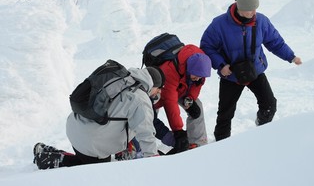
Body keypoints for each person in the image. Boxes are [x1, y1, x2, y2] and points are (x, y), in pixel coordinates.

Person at [200, 0, 302, 141]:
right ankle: (220, 144)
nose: (254, 12)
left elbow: (275, 42)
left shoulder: (261, 21)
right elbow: (207, 46)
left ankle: (261, 131)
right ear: (240, 9)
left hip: (255, 70)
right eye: (250, 10)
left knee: (269, 104)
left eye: (255, 8)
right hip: (231, 75)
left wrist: (291, 57)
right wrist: (221, 65)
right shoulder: (219, 24)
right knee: (225, 114)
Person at [33, 66, 165, 169]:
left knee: (100, 156)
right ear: (152, 85)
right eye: (158, 89)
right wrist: (153, 160)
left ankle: (50, 152)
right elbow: (146, 132)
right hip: (90, 143)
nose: (158, 93)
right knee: (98, 170)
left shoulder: (122, 78)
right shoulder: (141, 99)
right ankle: (53, 159)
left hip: (76, 124)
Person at [154, 44, 212, 154]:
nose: (198, 78)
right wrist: (178, 131)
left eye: (200, 76)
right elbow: (170, 102)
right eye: (196, 75)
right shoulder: (170, 69)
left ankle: (197, 143)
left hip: (181, 88)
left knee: (197, 106)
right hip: (160, 89)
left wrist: (190, 99)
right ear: (190, 68)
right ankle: (143, 144)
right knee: (149, 112)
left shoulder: (201, 66)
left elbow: (197, 84)